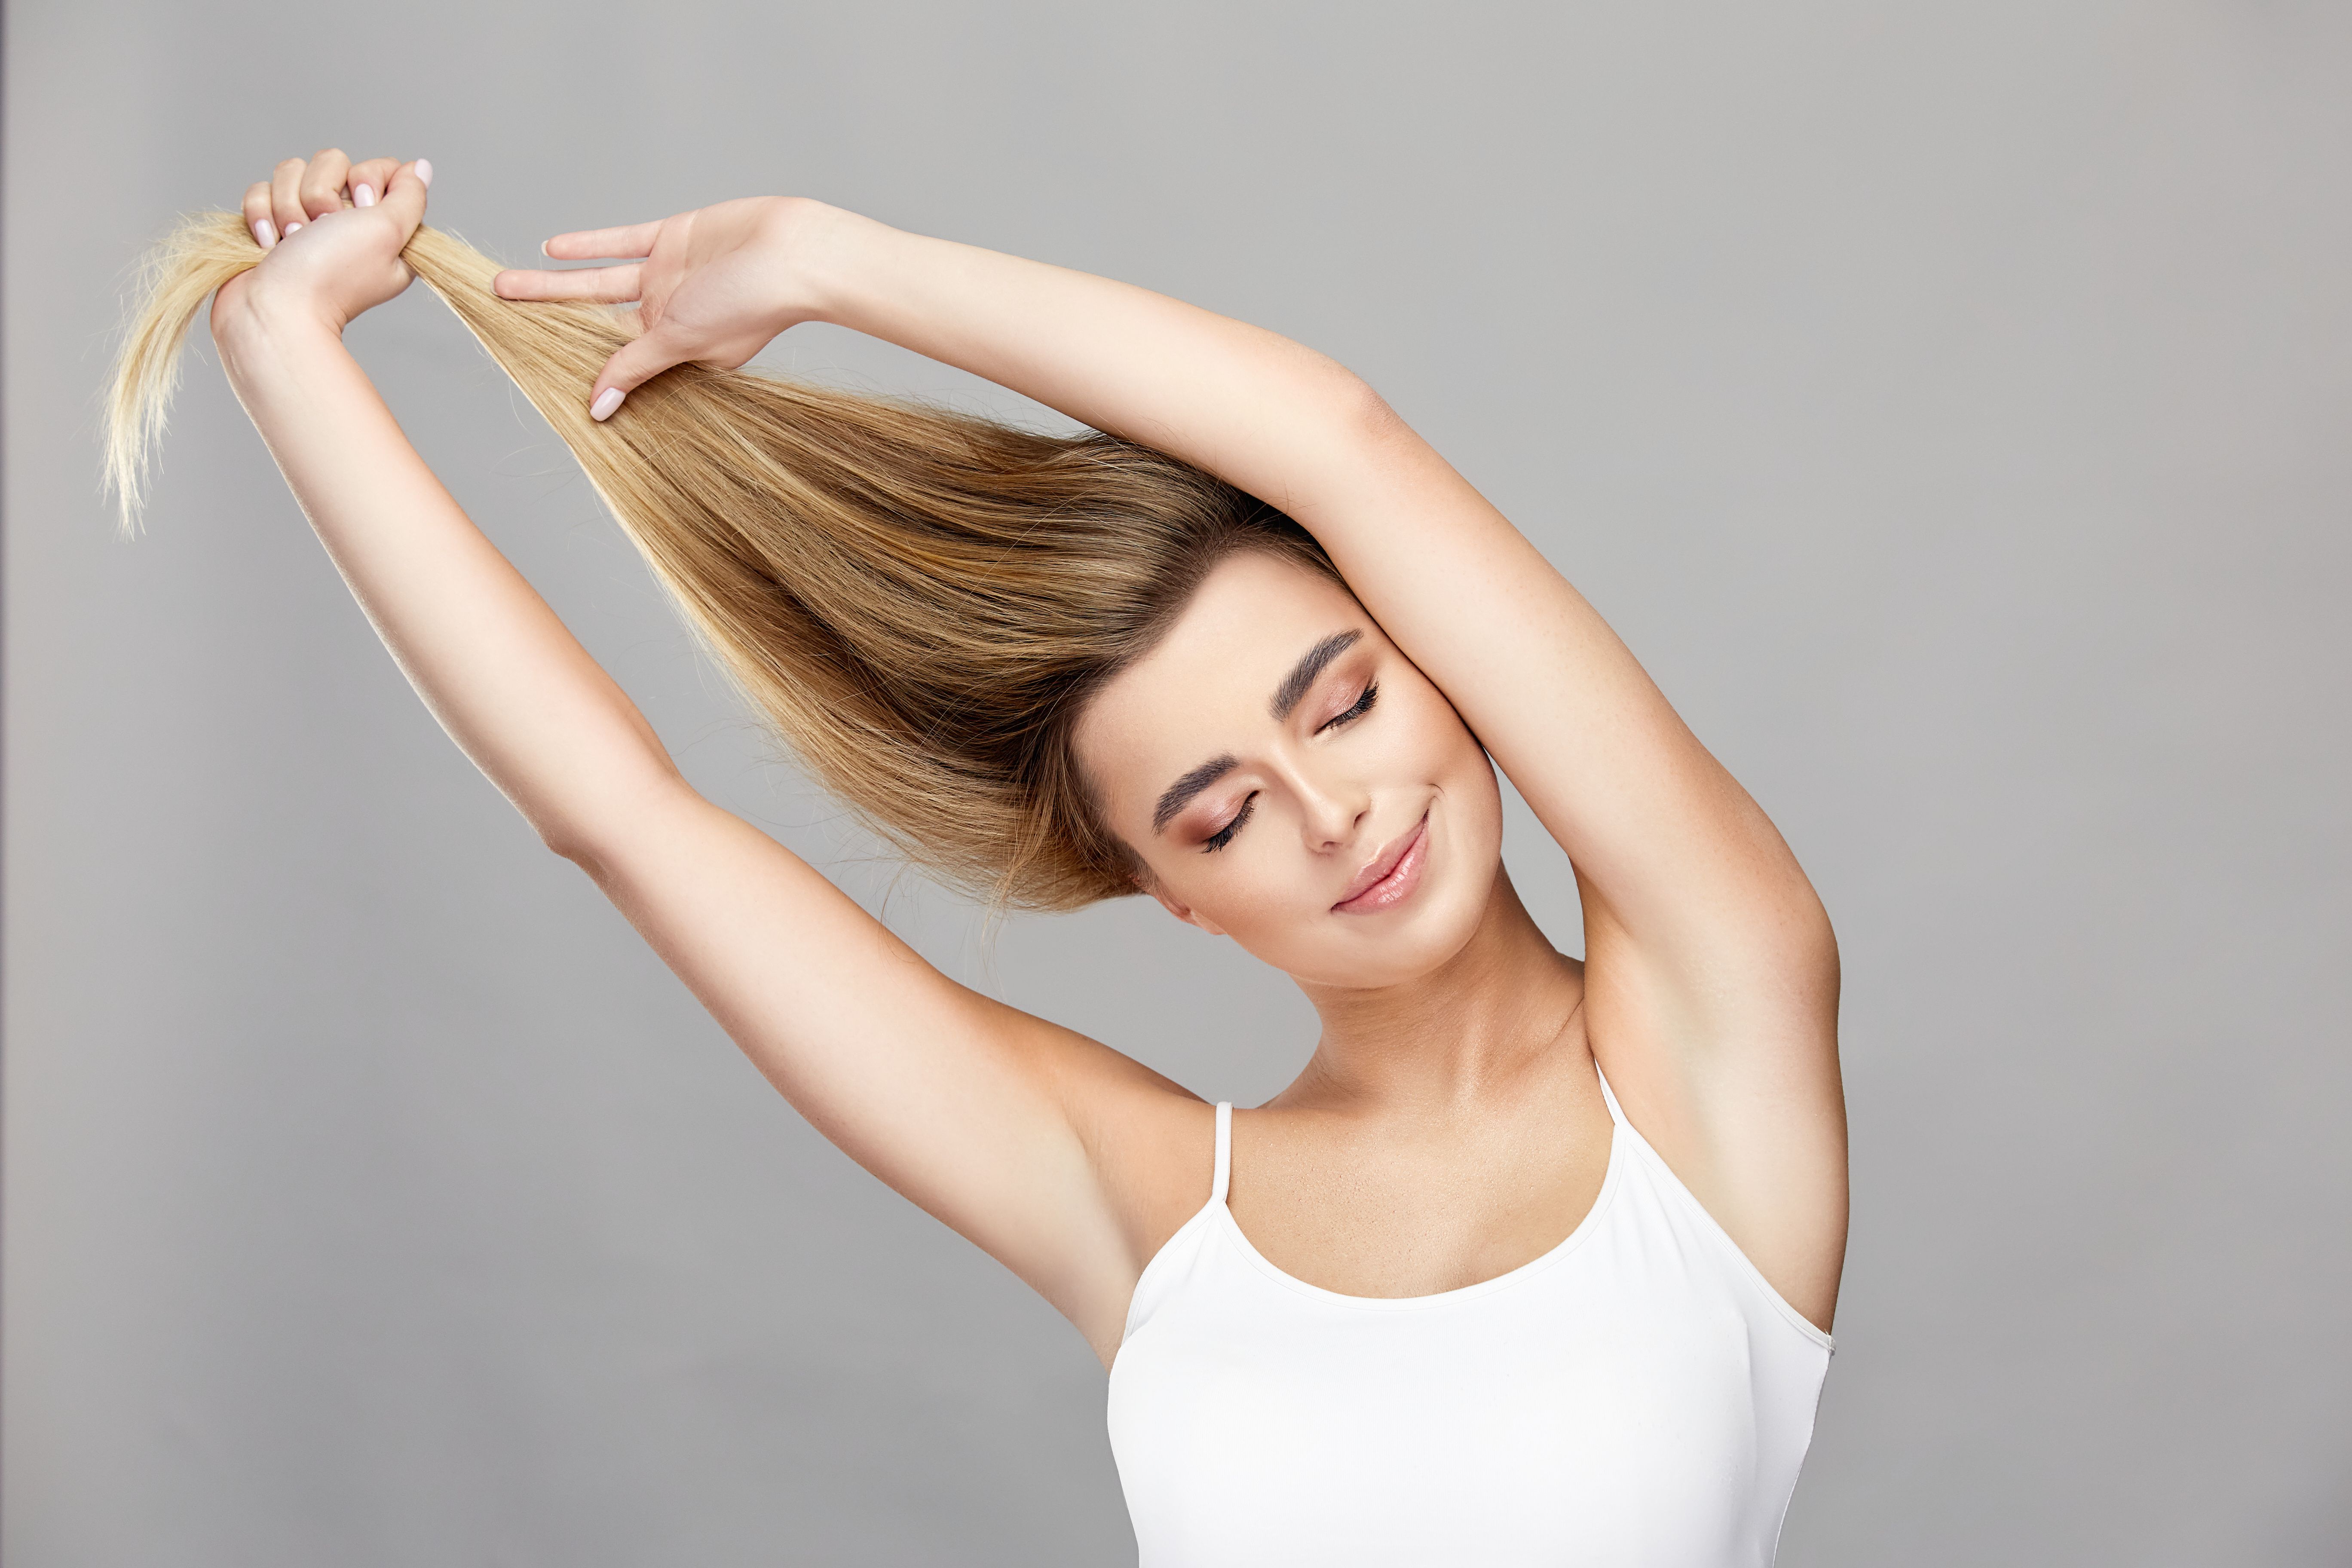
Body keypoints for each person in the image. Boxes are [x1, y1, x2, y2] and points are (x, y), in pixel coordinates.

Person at [142, 147, 1848, 1565]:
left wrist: (826, 258)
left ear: (1450, 679)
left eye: (1342, 704)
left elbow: (1343, 442)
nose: (1331, 810)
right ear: (1168, 890)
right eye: (1221, 811)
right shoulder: (1146, 1205)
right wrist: (283, 346)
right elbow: (623, 820)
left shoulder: (1717, 1028)